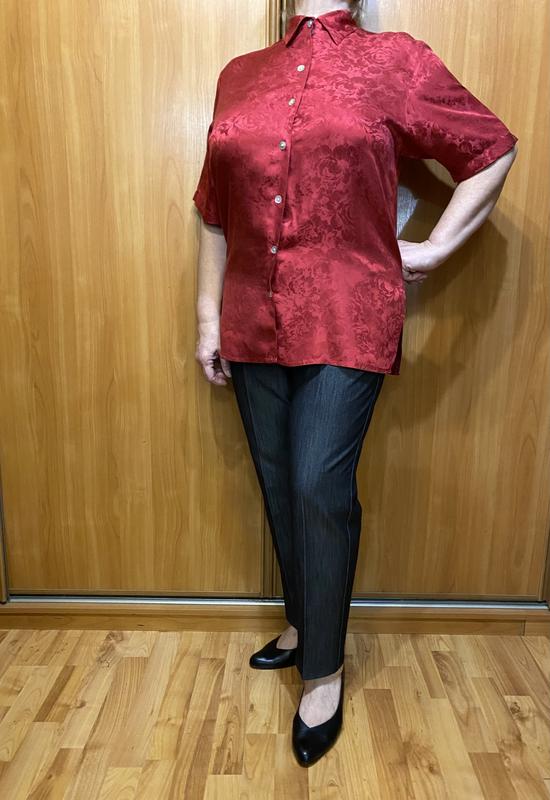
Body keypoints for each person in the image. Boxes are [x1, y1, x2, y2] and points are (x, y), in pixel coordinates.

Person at [193, 0, 518, 767]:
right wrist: (208, 317)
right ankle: (303, 623)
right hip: (250, 314)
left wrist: (435, 247)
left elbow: (490, 147)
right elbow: (214, 210)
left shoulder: (394, 59)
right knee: (279, 481)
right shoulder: (240, 75)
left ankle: (324, 671)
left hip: (347, 313)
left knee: (317, 485)